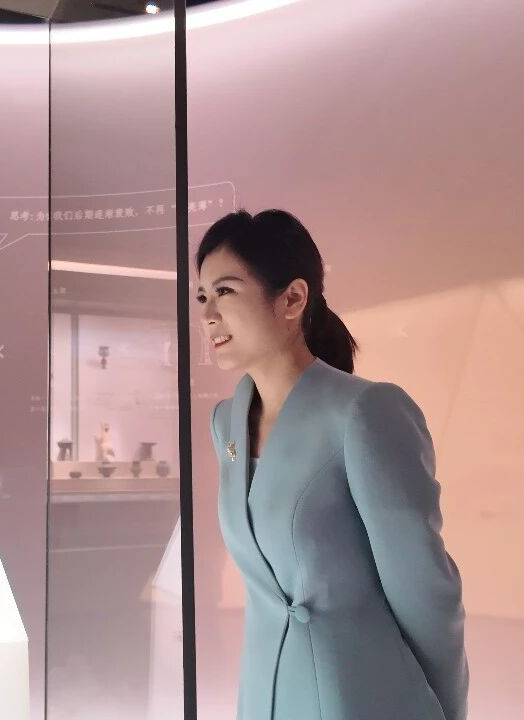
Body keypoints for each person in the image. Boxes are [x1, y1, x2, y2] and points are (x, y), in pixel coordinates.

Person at [197, 211, 469, 720]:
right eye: (202, 296)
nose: (208, 314)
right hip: (262, 695)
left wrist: (446, 710)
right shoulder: (226, 423)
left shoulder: (365, 412)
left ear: (292, 299)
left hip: (358, 695)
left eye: (226, 291)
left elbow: (425, 591)